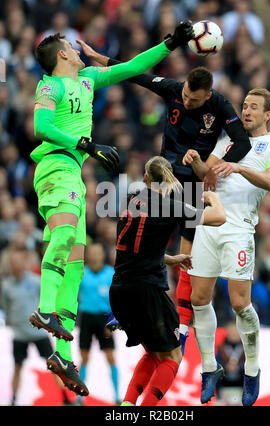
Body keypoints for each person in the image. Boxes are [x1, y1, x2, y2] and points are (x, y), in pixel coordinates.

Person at [28, 21, 195, 396]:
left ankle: (63, 354)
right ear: (63, 55)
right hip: (55, 166)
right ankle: (45, 310)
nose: (76, 47)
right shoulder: (50, 85)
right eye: (70, 45)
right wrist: (85, 144)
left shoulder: (87, 81)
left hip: (73, 173)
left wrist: (171, 43)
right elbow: (40, 125)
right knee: (67, 233)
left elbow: (133, 68)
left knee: (74, 264)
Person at [78, 40, 252, 352]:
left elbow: (242, 143)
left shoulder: (221, 106)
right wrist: (98, 57)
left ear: (207, 96)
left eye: (193, 100)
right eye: (185, 95)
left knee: (185, 254)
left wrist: (213, 166)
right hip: (164, 180)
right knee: (145, 246)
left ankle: (179, 321)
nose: (186, 101)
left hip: (194, 184)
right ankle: (134, 313)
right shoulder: (173, 88)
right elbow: (134, 74)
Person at [182, 88, 270, 406]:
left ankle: (252, 370)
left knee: (240, 304)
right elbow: (208, 177)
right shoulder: (228, 139)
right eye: (244, 106)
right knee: (198, 299)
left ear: (267, 114)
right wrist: (198, 162)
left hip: (239, 229)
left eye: (254, 107)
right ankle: (209, 369)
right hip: (208, 223)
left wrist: (240, 167)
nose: (246, 111)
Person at [109, 155, 226, 406]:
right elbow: (219, 217)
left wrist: (171, 259)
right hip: (146, 292)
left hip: (119, 289)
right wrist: (211, 198)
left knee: (153, 351)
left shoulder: (130, 201)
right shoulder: (169, 206)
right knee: (173, 355)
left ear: (145, 178)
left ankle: (128, 405)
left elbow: (137, 249)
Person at [1, 249, 72, 406]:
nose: (16, 265)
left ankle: (66, 398)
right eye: (13, 262)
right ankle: (13, 400)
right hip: (19, 334)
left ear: (25, 263)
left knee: (54, 366)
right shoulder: (6, 286)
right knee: (17, 366)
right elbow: (5, 307)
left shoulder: (36, 281)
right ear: (11, 264)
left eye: (19, 261)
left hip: (38, 332)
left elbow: (50, 299)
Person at [78, 243, 120, 405]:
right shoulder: (82, 273)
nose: (95, 257)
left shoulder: (110, 274)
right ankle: (80, 396)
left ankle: (116, 394)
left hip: (105, 319)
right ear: (88, 256)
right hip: (87, 318)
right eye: (92, 254)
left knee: (111, 357)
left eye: (98, 253)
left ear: (103, 255)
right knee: (84, 357)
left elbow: (116, 300)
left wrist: (112, 323)